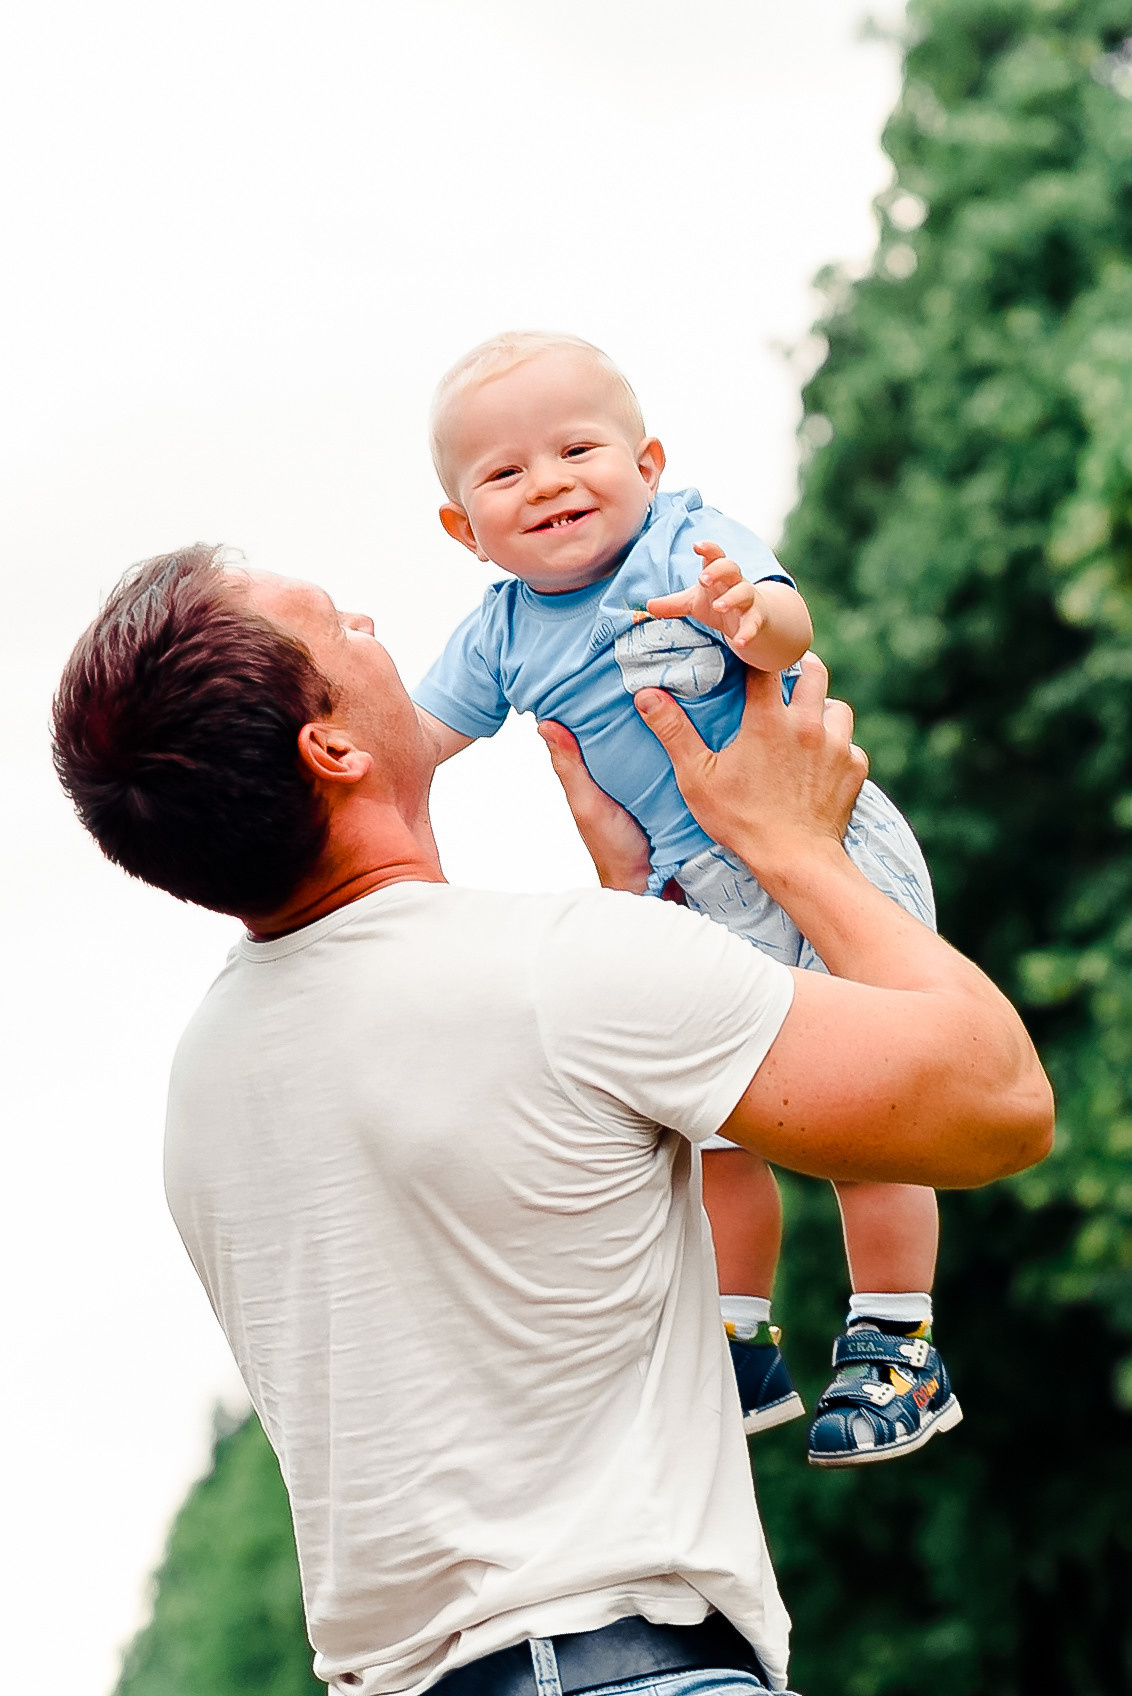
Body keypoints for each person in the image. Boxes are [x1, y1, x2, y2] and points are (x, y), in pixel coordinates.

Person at [51, 545, 1052, 1696]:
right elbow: (995, 1102)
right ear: (331, 750)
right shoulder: (555, 972)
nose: (371, 621)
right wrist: (791, 846)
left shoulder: (207, 1080)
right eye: (338, 624)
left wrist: (643, 905)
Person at [416, 330, 944, 1465]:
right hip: (686, 895)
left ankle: (898, 1339)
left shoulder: (683, 542)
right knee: (710, 1129)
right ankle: (736, 1339)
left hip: (821, 850)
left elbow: (788, 618)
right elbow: (416, 743)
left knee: (869, 1110)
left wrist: (749, 616)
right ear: (465, 529)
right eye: (505, 473)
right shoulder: (497, 634)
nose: (547, 482)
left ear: (646, 464)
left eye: (576, 449)